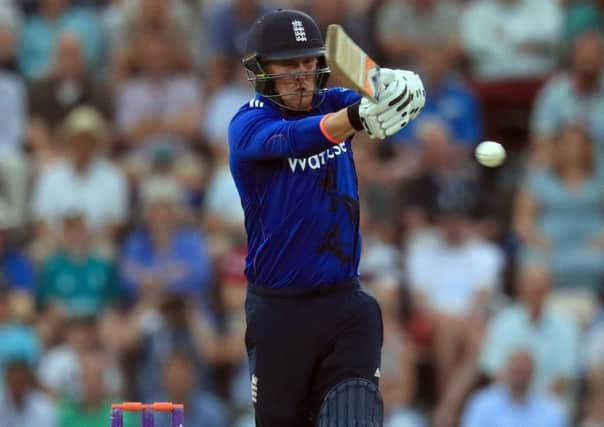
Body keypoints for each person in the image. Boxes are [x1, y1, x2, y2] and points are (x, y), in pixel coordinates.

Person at [229, 8, 425, 426]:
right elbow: (294, 138)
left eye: (308, 62)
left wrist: (402, 87)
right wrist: (355, 119)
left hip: (345, 303)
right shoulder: (248, 124)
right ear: (262, 70)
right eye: (288, 65)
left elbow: (378, 102)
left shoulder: (333, 100)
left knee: (353, 413)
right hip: (279, 313)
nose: (301, 75)